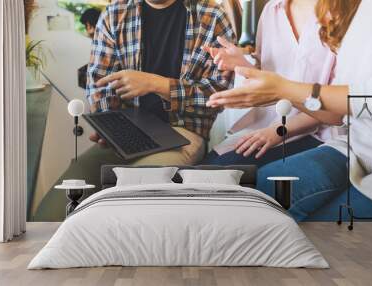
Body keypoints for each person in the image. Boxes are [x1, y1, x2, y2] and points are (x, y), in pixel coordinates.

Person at [33, 0, 235, 221]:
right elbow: (98, 85)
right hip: (126, 134)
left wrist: (157, 84)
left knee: (132, 201)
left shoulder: (212, 15)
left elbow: (220, 92)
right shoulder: (114, 14)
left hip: (183, 133)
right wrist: (110, 128)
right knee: (50, 214)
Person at [207, 0, 372, 221]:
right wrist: (247, 68)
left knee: (266, 207)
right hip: (352, 146)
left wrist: (281, 95)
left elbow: (343, 109)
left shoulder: (342, 12)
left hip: (327, 137)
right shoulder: (276, 11)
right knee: (216, 176)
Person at [202, 0, 342, 167]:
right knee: (206, 167)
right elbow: (267, 77)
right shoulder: (271, 10)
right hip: (270, 124)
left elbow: (336, 110)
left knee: (224, 170)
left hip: (319, 134)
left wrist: (278, 131)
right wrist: (241, 64)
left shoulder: (340, 15)